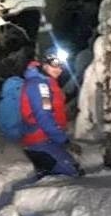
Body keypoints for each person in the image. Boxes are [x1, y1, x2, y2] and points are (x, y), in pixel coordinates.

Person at [20, 47, 84, 179]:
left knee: (71, 169)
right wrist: (64, 140)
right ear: (44, 64)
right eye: (54, 64)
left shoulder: (46, 82)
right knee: (72, 173)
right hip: (40, 141)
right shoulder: (40, 85)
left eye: (62, 66)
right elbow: (44, 116)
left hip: (47, 139)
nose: (59, 69)